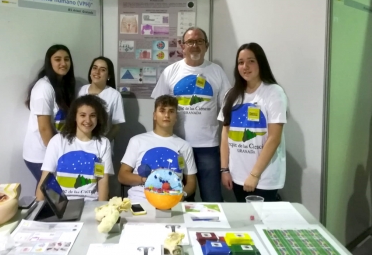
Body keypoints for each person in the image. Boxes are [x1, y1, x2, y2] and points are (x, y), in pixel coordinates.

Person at [151, 27, 231, 202]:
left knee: (212, 199)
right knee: (180, 199)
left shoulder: (217, 72)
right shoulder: (170, 72)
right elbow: (158, 110)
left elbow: (227, 112)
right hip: (176, 146)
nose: (194, 45)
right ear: (182, 46)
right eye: (190, 42)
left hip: (207, 147)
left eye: (199, 41)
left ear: (206, 45)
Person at [218, 42, 287, 202]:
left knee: (262, 224)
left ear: (260, 63)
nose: (245, 66)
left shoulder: (273, 92)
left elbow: (274, 139)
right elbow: (225, 135)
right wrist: (224, 169)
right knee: (246, 222)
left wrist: (254, 175)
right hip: (236, 176)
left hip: (263, 178)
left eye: (251, 61)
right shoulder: (231, 94)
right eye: (241, 62)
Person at [118, 95, 197, 201]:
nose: (167, 115)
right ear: (154, 115)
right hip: (141, 200)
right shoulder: (137, 141)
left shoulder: (184, 146)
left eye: (171, 111)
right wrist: (146, 180)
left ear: (176, 117)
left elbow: (191, 182)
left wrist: (182, 195)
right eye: (162, 110)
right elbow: (122, 176)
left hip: (172, 202)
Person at [36, 95, 114, 201]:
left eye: (92, 115)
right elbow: (45, 179)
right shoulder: (57, 141)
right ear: (74, 117)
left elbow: (103, 180)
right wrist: (37, 209)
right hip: (62, 204)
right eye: (82, 115)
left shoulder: (103, 143)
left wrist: (101, 208)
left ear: (98, 118)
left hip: (90, 203)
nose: (88, 120)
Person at [23, 45, 76, 183]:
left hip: (51, 152)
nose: (63, 63)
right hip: (40, 155)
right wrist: (57, 155)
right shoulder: (44, 88)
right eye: (57, 59)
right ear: (49, 62)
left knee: (51, 196)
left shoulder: (62, 85)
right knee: (49, 195)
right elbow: (44, 128)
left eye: (66, 59)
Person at [78, 56, 125, 141]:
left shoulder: (114, 95)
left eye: (102, 70)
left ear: (108, 75)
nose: (97, 72)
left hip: (102, 146)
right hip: (80, 142)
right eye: (94, 68)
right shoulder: (81, 90)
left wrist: (103, 143)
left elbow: (116, 127)